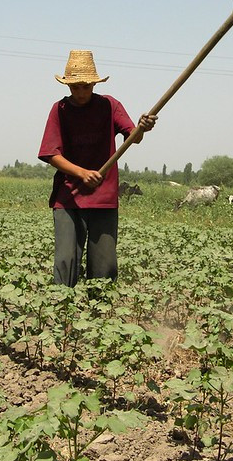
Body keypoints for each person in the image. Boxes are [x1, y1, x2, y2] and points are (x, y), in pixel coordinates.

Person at [38, 50, 157, 286]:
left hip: (104, 198)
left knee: (104, 266)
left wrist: (142, 128)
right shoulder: (59, 110)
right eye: (75, 87)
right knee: (66, 260)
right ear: (68, 85)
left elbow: (133, 137)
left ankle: (99, 317)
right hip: (69, 197)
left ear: (94, 83)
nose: (81, 93)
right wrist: (82, 173)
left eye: (86, 86)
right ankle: (63, 311)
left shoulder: (109, 106)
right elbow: (51, 154)